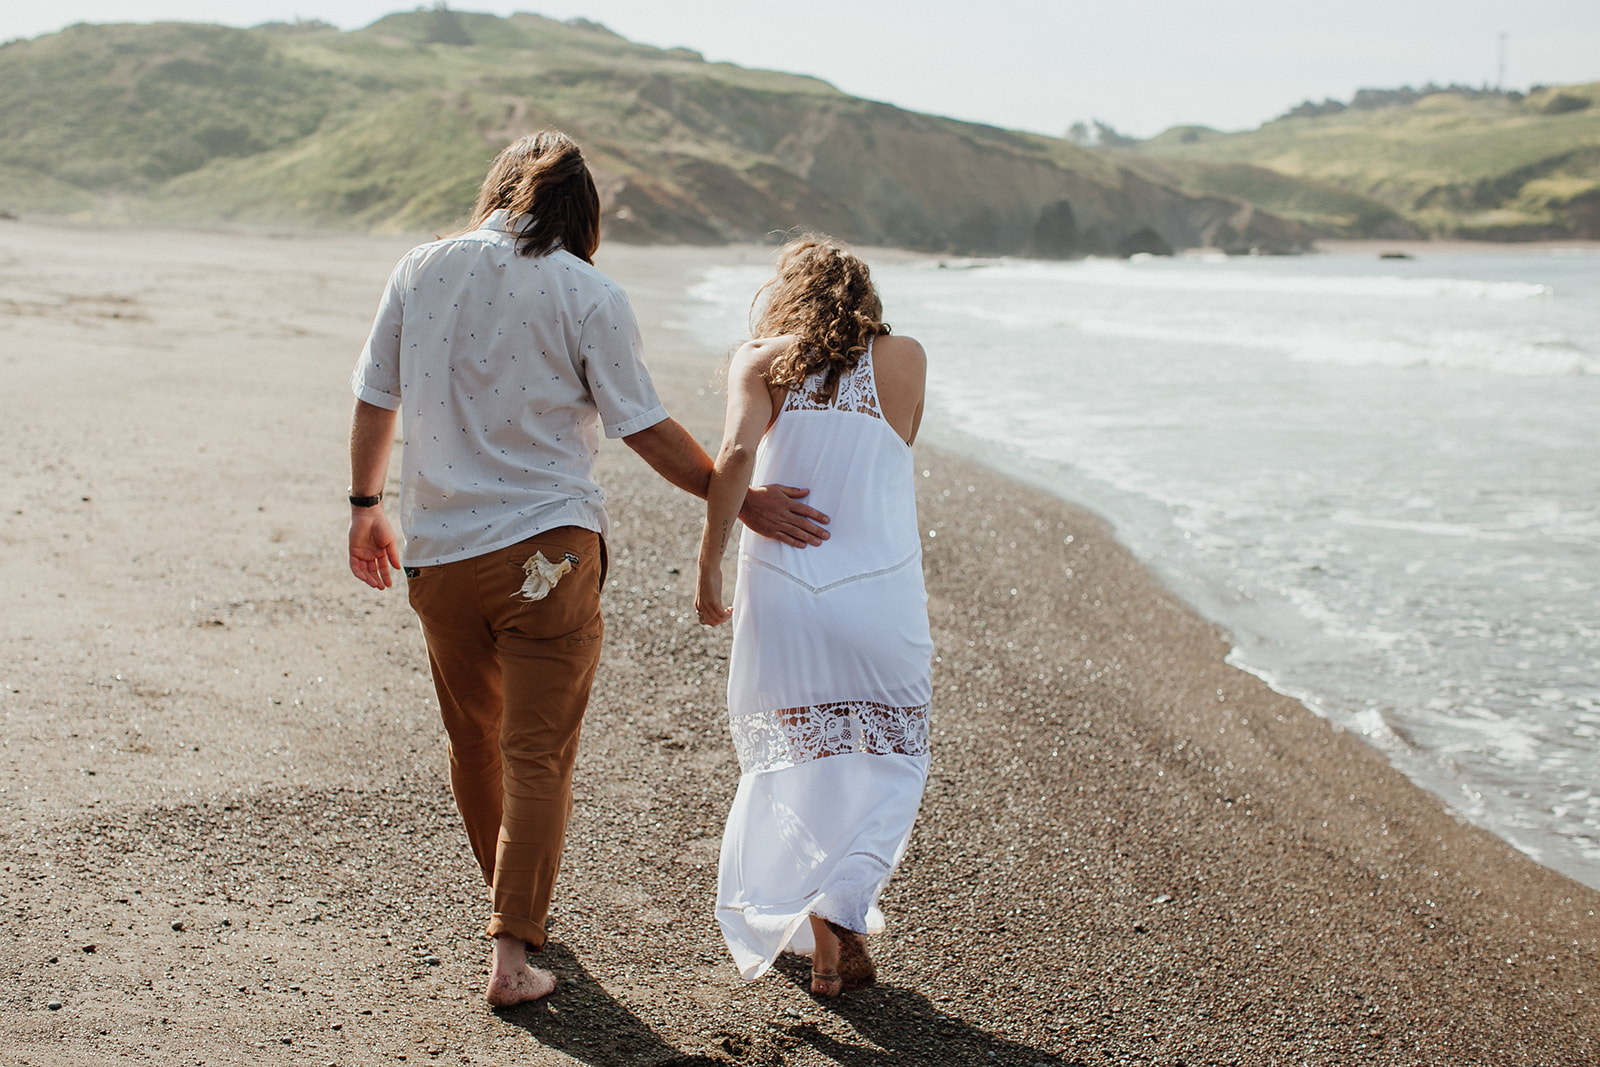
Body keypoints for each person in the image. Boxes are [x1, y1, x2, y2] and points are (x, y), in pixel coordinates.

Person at [346, 130, 830, 1008]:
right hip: (549, 551)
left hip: (442, 557)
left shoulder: (420, 268)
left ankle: (515, 911)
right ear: (584, 215)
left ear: (496, 192)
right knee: (538, 755)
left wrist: (362, 506)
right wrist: (736, 498)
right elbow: (642, 424)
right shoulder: (588, 290)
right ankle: (512, 949)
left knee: (474, 743)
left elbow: (377, 393)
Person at [695, 237, 933, 996]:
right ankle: (842, 914)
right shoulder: (907, 359)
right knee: (883, 760)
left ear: (786, 294)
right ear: (866, 297)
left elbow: (735, 456)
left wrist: (709, 560)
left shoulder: (758, 360)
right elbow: (894, 455)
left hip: (788, 591)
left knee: (799, 762)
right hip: (881, 596)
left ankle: (822, 927)